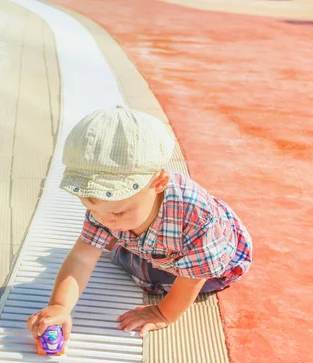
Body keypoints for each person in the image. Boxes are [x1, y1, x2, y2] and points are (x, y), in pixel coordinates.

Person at [27, 106, 252, 339]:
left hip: (205, 265)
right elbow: (82, 256)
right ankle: (128, 243)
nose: (105, 221)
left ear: (159, 183)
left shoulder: (198, 220)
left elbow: (194, 276)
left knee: (145, 273)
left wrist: (163, 313)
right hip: (158, 245)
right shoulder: (108, 207)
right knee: (107, 241)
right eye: (91, 208)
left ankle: (128, 250)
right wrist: (60, 306)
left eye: (119, 212)